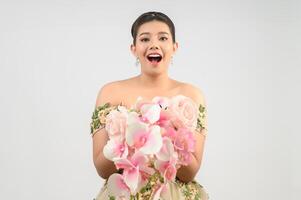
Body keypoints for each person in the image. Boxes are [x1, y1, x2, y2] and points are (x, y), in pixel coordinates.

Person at [90, 11, 209, 200]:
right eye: (145, 39)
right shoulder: (110, 93)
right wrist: (132, 135)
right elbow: (102, 168)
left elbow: (190, 172)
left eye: (163, 37)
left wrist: (167, 132)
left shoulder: (191, 96)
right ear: (134, 48)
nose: (154, 44)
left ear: (174, 47)